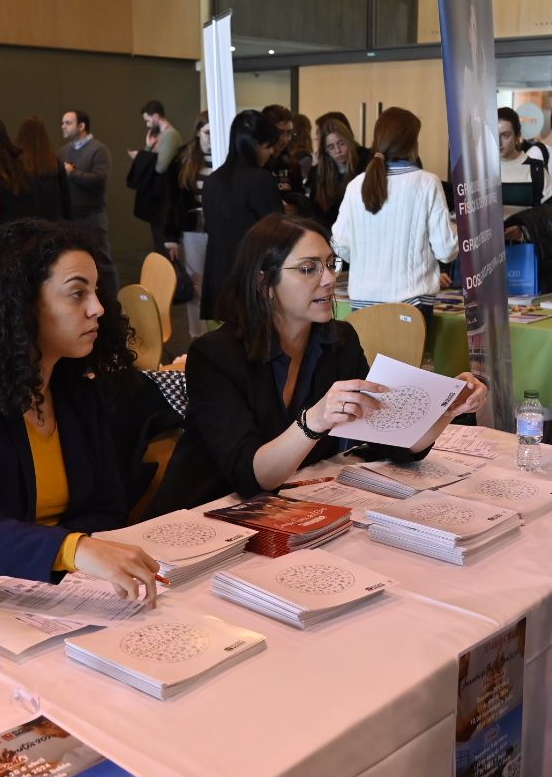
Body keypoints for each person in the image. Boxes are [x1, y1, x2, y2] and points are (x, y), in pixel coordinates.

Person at [149, 215, 485, 514]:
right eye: (309, 268)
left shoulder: (338, 340)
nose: (328, 279)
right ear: (265, 283)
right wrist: (315, 419)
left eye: (330, 264)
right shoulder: (215, 355)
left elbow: (387, 442)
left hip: (287, 511)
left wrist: (443, 410)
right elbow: (251, 477)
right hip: (204, 518)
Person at [0, 220, 161, 597]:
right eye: (77, 294)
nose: (97, 308)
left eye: (96, 291)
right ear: (21, 303)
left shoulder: (77, 387)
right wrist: (70, 549)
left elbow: (109, 509)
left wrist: (71, 558)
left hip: (63, 592)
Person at [331, 107, 458, 306]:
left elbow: (340, 244)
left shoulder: (355, 185)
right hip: (412, 304)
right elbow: (446, 250)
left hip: (362, 303)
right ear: (412, 144)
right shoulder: (427, 183)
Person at [199, 109, 283, 321]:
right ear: (254, 143)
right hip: (250, 281)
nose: (271, 152)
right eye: (268, 146)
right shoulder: (261, 180)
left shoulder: (212, 182)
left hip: (217, 278)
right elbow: (279, 235)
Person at [57, 109, 117, 292]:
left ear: (81, 126)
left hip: (92, 217)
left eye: (68, 123)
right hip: (70, 218)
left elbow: (99, 180)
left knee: (101, 262)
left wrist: (72, 173)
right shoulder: (63, 151)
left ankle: (113, 307)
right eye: (63, 122)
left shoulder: (99, 150)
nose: (63, 127)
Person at [163, 111, 211, 337]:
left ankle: (217, 333)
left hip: (220, 229)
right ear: (198, 132)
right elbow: (172, 200)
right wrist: (171, 237)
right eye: (207, 132)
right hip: (193, 229)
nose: (211, 138)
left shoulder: (227, 155)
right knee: (195, 285)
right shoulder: (185, 158)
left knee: (220, 283)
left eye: (215, 132)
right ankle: (196, 335)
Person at [128, 99, 183, 253]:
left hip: (166, 196)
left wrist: (140, 156)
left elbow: (160, 167)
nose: (147, 124)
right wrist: (148, 146)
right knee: (157, 237)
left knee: (162, 239)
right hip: (158, 195)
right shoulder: (162, 135)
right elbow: (152, 160)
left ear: (156, 116)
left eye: (147, 120)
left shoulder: (170, 135)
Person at [307, 115, 361, 229]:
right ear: (325, 151)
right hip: (330, 233)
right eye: (331, 147)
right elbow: (316, 214)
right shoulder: (319, 175)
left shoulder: (363, 167)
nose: (338, 151)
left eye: (341, 143)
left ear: (349, 142)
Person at [497, 106, 532, 204]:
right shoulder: (481, 170)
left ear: (518, 136)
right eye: (494, 135)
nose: (498, 143)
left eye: (505, 135)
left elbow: (551, 214)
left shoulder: (535, 170)